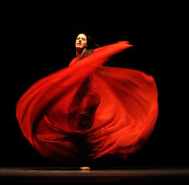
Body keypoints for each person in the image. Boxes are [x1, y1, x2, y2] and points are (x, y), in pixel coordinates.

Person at [16, 33, 159, 166]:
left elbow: (98, 57)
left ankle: (88, 159)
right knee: (78, 128)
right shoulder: (74, 60)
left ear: (86, 44)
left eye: (82, 39)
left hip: (90, 97)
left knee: (82, 129)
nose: (79, 40)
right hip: (79, 98)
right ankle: (98, 155)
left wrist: (117, 46)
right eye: (77, 38)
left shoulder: (88, 57)